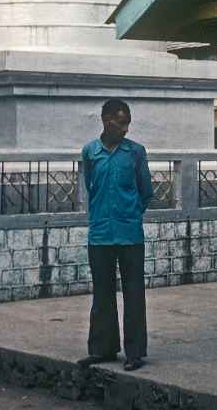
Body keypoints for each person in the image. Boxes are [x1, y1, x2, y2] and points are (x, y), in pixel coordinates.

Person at [78, 99, 153, 371]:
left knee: (134, 294)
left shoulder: (135, 152)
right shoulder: (90, 152)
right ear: (106, 121)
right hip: (100, 234)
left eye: (127, 123)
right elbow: (91, 187)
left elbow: (146, 192)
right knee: (102, 294)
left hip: (130, 235)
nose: (125, 129)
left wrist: (129, 214)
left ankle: (135, 353)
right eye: (121, 123)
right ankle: (102, 348)